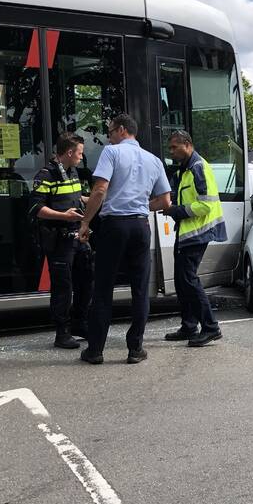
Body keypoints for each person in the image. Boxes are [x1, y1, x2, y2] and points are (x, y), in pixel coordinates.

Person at [78, 113, 172, 365]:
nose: (108, 136)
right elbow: (165, 201)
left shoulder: (112, 152)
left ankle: (95, 350)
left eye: (109, 131)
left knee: (103, 288)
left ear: (121, 130)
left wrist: (85, 221)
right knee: (140, 289)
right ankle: (135, 349)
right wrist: (140, 204)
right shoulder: (153, 160)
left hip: (114, 226)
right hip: (140, 227)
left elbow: (99, 189)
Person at [162, 130, 227, 347]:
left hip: (197, 233)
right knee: (182, 281)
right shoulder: (186, 168)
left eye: (174, 147)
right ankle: (189, 326)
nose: (171, 152)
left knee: (188, 280)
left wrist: (177, 211)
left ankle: (211, 328)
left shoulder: (198, 167)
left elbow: (206, 205)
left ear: (187, 145)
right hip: (189, 232)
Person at [29, 133, 93, 349]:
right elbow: (36, 209)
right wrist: (65, 216)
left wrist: (94, 198)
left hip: (79, 237)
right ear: (69, 153)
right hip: (59, 241)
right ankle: (62, 333)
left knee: (86, 282)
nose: (81, 158)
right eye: (80, 153)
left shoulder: (72, 171)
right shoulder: (45, 175)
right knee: (63, 288)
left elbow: (76, 197)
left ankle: (79, 323)